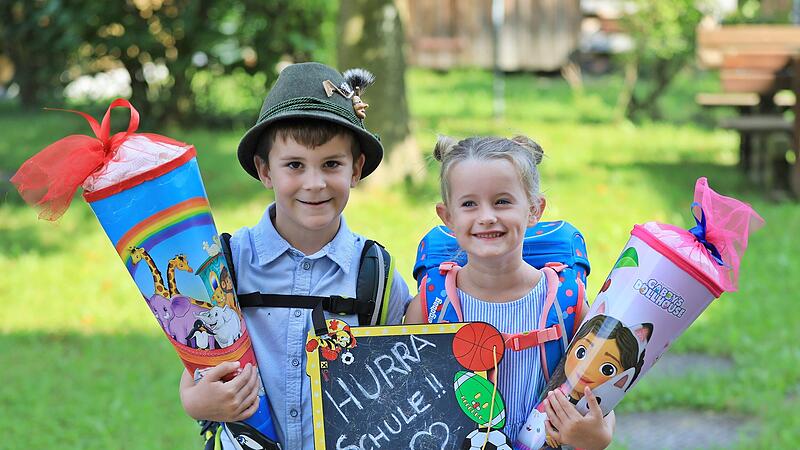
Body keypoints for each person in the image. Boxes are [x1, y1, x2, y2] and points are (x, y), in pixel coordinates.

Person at [178, 62, 412, 449]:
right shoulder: (228, 264)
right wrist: (197, 402)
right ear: (265, 170)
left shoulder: (374, 272)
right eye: (294, 165)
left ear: (356, 169)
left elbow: (402, 376)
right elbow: (197, 369)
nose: (315, 183)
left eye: (332, 164)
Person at [404, 135, 615, 449]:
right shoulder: (432, 302)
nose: (486, 216)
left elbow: (598, 389)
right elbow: (404, 395)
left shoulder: (564, 301)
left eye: (502, 201)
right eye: (469, 204)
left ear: (534, 209)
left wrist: (599, 433)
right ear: (447, 217)